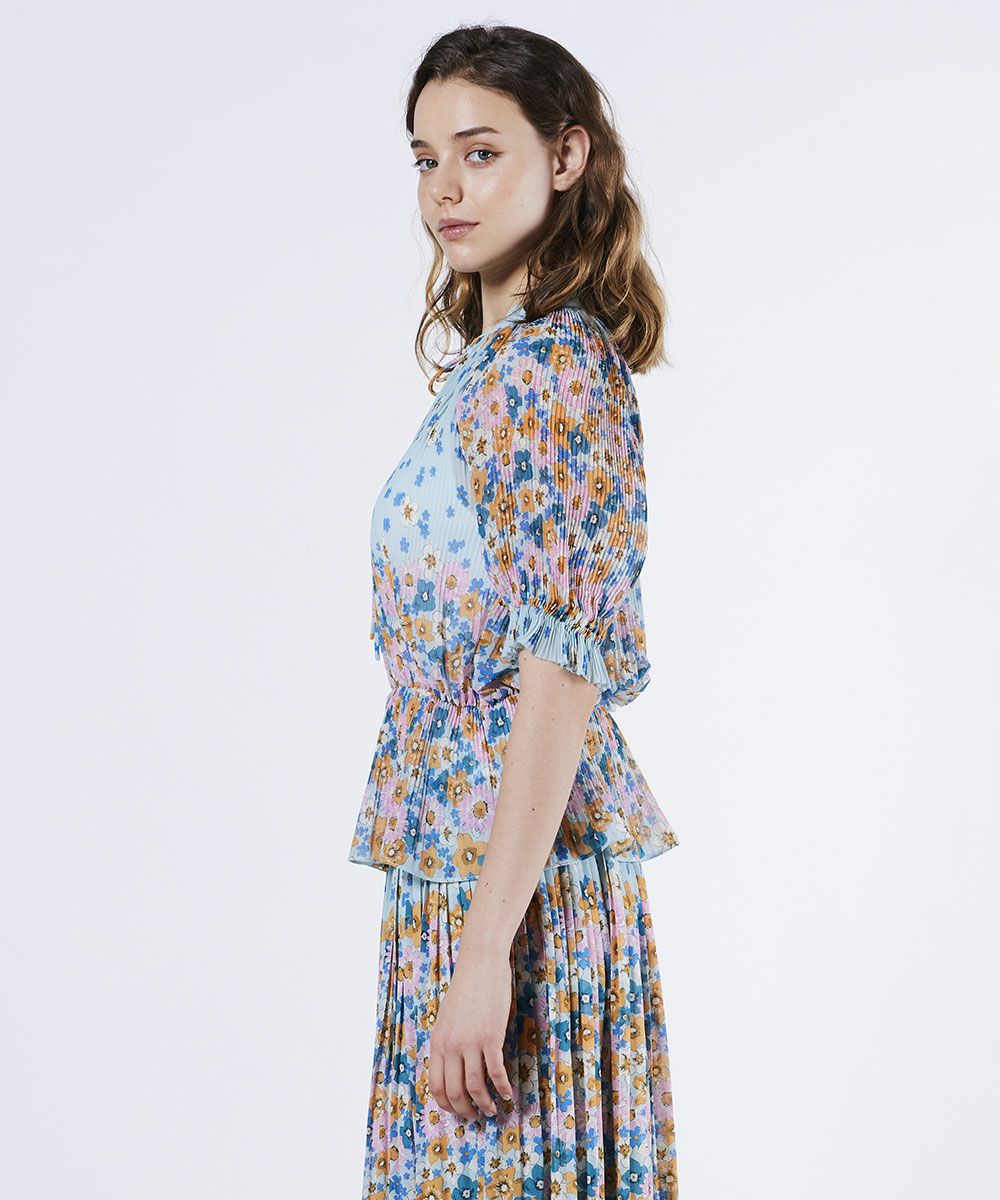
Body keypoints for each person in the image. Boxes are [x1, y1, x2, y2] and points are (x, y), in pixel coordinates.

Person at [348, 23, 681, 1199]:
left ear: (566, 156)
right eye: (426, 158)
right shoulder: (493, 374)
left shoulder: (550, 372)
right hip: (463, 871)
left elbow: (561, 667)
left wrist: (487, 952)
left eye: (480, 152)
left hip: (514, 899)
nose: (445, 188)